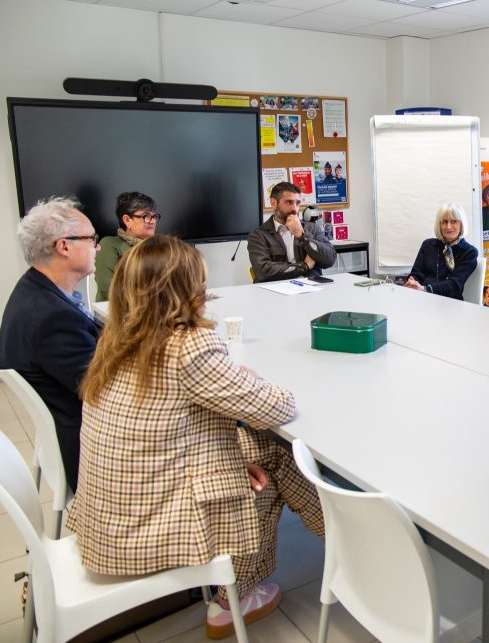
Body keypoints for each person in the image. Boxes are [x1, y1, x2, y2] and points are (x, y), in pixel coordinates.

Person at [67, 235, 328, 638]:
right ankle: (246, 592)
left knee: (254, 451)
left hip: (107, 521)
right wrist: (251, 381)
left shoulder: (118, 338)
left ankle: (343, 544)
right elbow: (276, 407)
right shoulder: (188, 345)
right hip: (145, 530)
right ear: (185, 290)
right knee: (275, 453)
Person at [0, 196, 102, 493]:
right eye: (91, 238)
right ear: (63, 246)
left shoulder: (36, 289)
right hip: (90, 449)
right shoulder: (51, 317)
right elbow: (104, 390)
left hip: (68, 423)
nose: (98, 246)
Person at [248, 182, 336, 283]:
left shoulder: (312, 228)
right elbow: (263, 271)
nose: (295, 209)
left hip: (310, 288)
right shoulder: (258, 235)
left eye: (297, 203)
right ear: (273, 203)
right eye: (289, 202)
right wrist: (304, 266)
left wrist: (302, 236)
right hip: (275, 291)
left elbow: (330, 259)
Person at [404, 203, 478, 300]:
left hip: (450, 303)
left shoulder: (469, 252)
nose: (448, 226)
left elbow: (454, 284)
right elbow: (417, 273)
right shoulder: (428, 245)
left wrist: (426, 289)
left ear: (461, 224)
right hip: (422, 299)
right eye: (444, 222)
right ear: (439, 225)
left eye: (453, 221)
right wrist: (412, 281)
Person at [94, 191, 159, 302]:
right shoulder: (109, 244)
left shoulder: (161, 247)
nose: (153, 221)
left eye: (154, 216)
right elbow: (109, 289)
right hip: (117, 313)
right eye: (146, 216)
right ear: (127, 220)